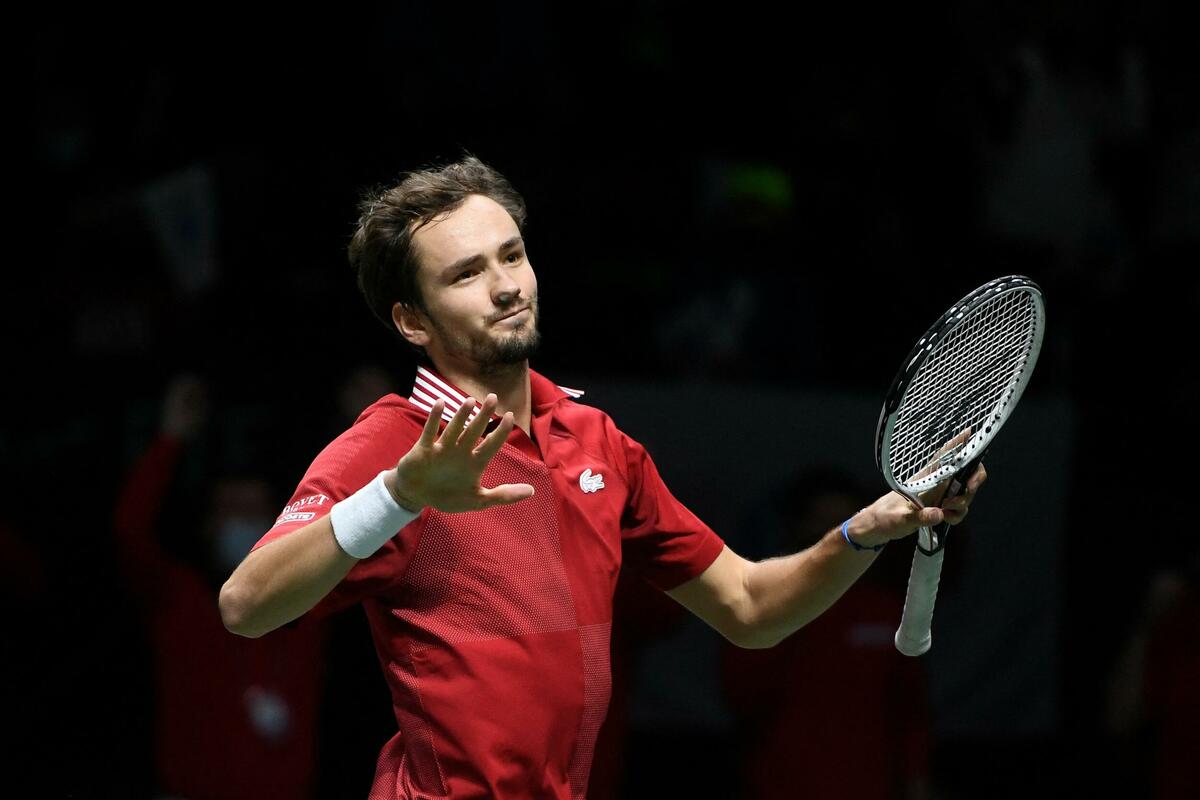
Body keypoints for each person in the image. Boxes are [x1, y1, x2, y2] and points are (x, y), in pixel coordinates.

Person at [218, 155, 987, 799]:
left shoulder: (598, 444)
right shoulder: (395, 443)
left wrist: (867, 530)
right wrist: (400, 495)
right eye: (465, 274)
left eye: (511, 255)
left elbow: (751, 608)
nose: (506, 286)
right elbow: (246, 606)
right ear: (412, 321)